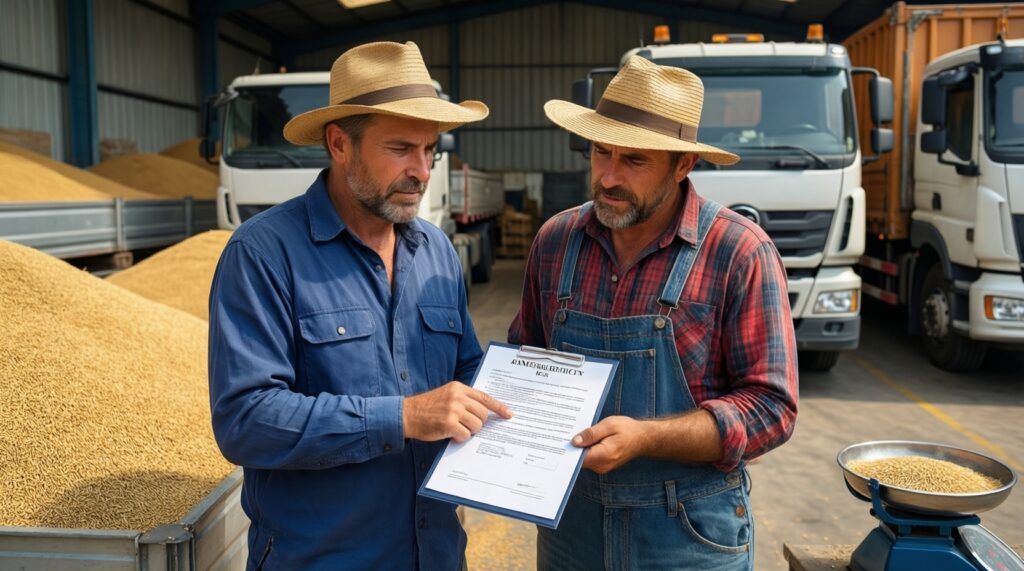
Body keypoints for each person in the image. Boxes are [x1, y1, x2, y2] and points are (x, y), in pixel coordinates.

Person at [208, 41, 511, 570]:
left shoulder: (436, 251)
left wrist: (529, 399)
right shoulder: (263, 254)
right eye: (401, 149)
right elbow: (246, 419)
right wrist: (402, 417)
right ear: (339, 143)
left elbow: (465, 369)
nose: (422, 171)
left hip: (436, 554)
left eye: (430, 150)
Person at [508, 55, 799, 570]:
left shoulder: (738, 252)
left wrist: (647, 437)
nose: (609, 177)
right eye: (601, 152)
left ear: (683, 164)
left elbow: (771, 409)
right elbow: (523, 363)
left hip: (688, 533)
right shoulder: (556, 241)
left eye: (635, 161)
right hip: (571, 526)